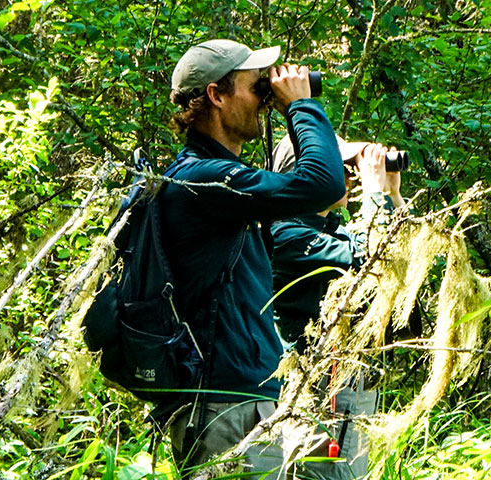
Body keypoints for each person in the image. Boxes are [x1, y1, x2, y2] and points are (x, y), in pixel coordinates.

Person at [156, 38, 346, 477]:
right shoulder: (202, 178)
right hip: (219, 404)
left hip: (250, 396)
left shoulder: (227, 181)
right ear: (216, 96)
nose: (265, 96)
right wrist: (300, 107)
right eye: (255, 86)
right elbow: (322, 183)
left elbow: (318, 198)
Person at [264, 138, 407, 480]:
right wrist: (373, 195)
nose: (344, 175)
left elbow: (403, 260)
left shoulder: (330, 230)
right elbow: (374, 254)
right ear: (303, 173)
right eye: (332, 165)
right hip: (311, 399)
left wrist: (392, 196)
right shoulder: (285, 232)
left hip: (347, 397)